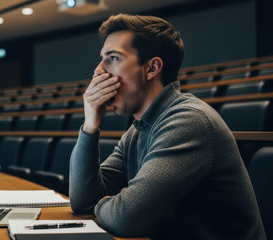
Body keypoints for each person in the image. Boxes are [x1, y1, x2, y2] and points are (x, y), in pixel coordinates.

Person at [69, 13, 266, 240]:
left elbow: (126, 218)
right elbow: (82, 201)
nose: (98, 71)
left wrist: (101, 203)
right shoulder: (137, 130)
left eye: (113, 58)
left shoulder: (189, 121)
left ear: (152, 68)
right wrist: (90, 126)